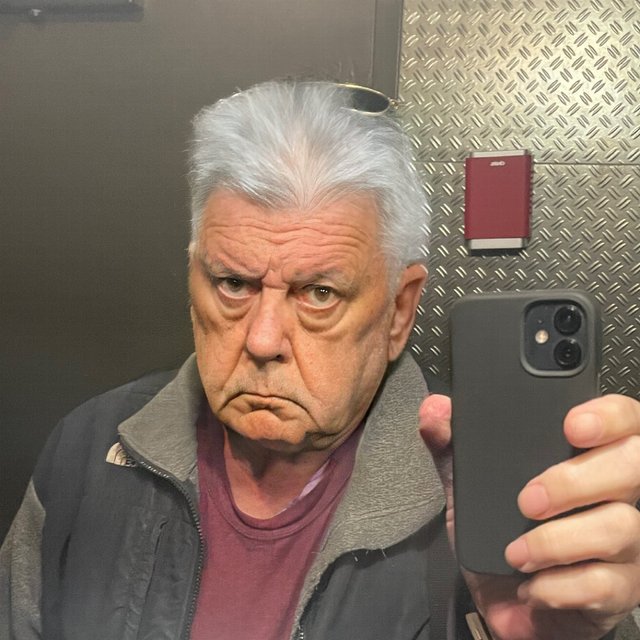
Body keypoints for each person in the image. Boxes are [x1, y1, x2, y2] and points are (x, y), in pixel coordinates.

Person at [1, 80, 639, 640]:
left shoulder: (497, 496)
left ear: (399, 310)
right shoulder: (88, 449)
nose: (262, 340)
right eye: (233, 283)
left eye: (319, 294)